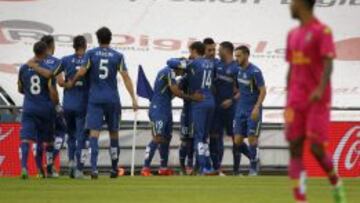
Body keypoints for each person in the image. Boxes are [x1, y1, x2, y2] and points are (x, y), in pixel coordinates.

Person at [285, 0, 346, 202]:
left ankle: (336, 183)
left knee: (316, 148)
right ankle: (300, 199)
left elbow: (328, 63)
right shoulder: (292, 34)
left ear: (302, 4)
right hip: (296, 99)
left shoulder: (322, 31)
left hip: (316, 99)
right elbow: (292, 68)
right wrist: (288, 98)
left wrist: (320, 89)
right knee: (295, 146)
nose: (290, 5)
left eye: (293, 2)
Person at [66, 27, 138, 179]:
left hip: (95, 99)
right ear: (110, 39)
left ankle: (93, 168)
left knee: (94, 134)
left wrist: (72, 82)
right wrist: (133, 98)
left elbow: (82, 72)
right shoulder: (118, 56)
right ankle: (113, 168)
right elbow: (126, 77)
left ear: (98, 39)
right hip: (112, 99)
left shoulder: (91, 54)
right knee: (114, 134)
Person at [140, 58, 188, 176]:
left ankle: (163, 168)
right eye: (183, 69)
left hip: (165, 108)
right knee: (157, 137)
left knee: (166, 139)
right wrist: (191, 97)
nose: (183, 72)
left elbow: (171, 94)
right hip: (158, 108)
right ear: (178, 68)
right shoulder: (168, 72)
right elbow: (175, 91)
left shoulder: (169, 73)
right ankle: (145, 167)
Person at [17, 41, 58, 179]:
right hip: (45, 108)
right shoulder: (48, 69)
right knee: (46, 141)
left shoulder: (23, 68)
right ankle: (44, 170)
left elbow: (20, 88)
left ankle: (24, 167)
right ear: (46, 52)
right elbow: (52, 92)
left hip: (29, 107)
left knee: (26, 139)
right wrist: (55, 103)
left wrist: (30, 93)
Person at [212, 41, 250, 175]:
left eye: (219, 49)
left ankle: (237, 169)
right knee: (216, 137)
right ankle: (218, 168)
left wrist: (232, 100)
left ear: (226, 50)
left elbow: (242, 90)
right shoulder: (217, 65)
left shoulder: (236, 68)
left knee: (236, 139)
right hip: (217, 109)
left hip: (232, 109)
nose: (217, 52)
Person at [55, 35, 89, 179]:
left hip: (68, 103)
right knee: (81, 136)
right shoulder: (89, 60)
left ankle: (70, 162)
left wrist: (62, 82)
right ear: (85, 46)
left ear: (73, 46)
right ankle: (79, 169)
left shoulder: (65, 59)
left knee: (71, 135)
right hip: (82, 103)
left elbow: (56, 73)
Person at [233, 45, 266, 176]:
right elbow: (242, 89)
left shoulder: (255, 72)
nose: (237, 58)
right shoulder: (238, 70)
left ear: (246, 55)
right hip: (240, 109)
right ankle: (254, 158)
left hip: (253, 109)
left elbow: (263, 91)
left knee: (252, 139)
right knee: (237, 141)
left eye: (239, 56)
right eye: (236, 56)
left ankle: (253, 168)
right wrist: (233, 99)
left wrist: (257, 108)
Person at [187, 41, 217, 175]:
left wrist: (184, 61)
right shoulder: (211, 63)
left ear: (194, 51)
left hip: (199, 102)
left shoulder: (193, 63)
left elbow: (170, 62)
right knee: (205, 137)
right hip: (211, 100)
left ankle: (204, 167)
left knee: (198, 136)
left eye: (190, 52)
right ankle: (207, 166)